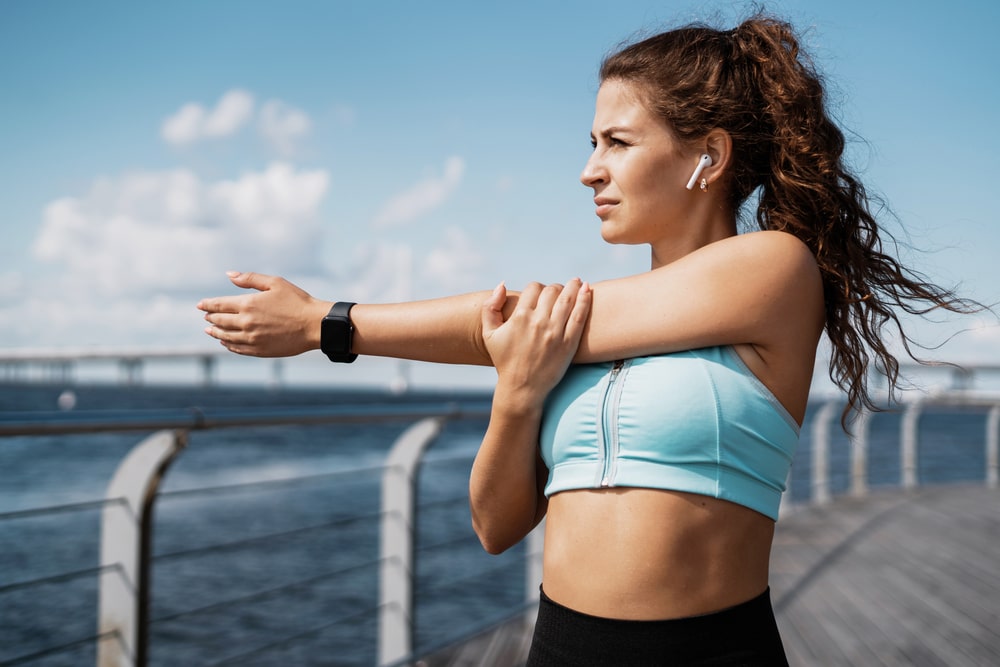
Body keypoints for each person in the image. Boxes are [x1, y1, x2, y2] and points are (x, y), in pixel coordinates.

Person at [197, 13, 978, 666]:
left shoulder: (772, 269)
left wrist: (324, 324)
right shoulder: (582, 331)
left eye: (616, 142)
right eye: (591, 142)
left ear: (708, 155)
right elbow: (495, 526)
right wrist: (520, 390)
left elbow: (497, 318)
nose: (587, 170)